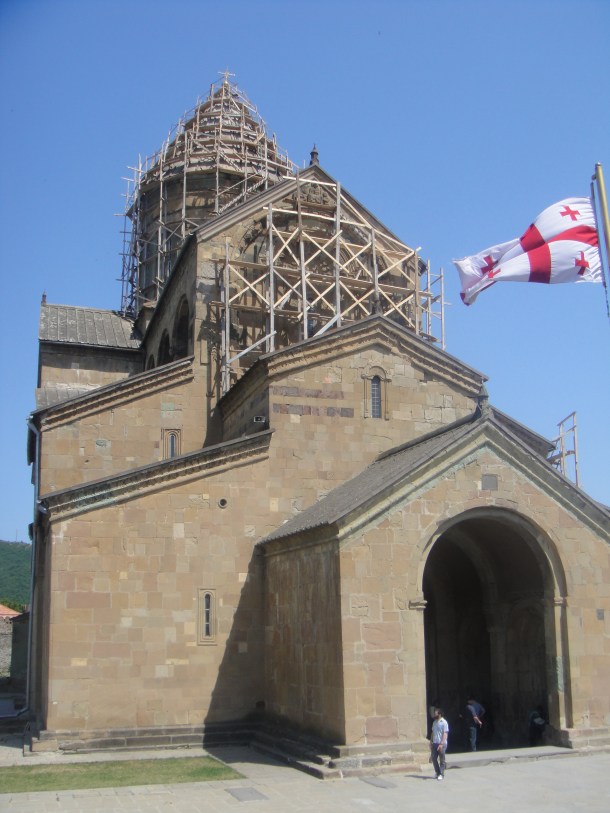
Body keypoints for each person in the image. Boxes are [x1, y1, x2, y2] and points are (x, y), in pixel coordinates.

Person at [430, 707, 449, 781]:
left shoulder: (444, 722)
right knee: (434, 758)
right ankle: (437, 772)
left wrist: (441, 743)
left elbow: (445, 733)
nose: (434, 715)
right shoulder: (434, 722)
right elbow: (432, 732)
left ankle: (441, 774)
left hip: (442, 743)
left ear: (439, 714)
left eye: (436, 713)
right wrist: (431, 741)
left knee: (442, 759)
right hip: (435, 743)